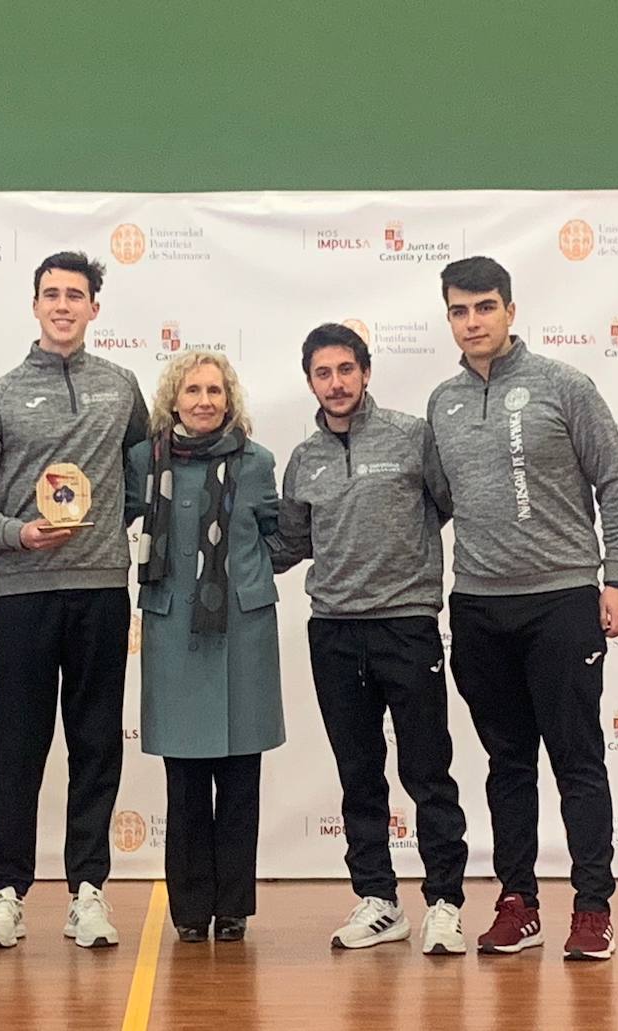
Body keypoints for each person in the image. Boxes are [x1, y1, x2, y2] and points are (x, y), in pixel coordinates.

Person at [428, 255, 618, 961]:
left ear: (511, 310)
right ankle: (518, 902)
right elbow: (436, 498)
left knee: (577, 759)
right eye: (459, 310)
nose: (472, 321)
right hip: (480, 608)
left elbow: (614, 483)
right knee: (507, 762)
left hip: (562, 601)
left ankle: (593, 906)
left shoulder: (564, 386)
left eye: (484, 306)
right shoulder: (443, 403)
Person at [0, 251, 149, 949]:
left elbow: (144, 468)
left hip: (100, 592)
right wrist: (13, 532)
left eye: (76, 294)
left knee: (96, 743)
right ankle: (7, 891)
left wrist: (127, 522)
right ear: (34, 305)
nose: (63, 305)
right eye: (51, 294)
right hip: (25, 594)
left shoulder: (122, 386)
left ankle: (88, 891)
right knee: (21, 746)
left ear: (95, 307)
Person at [272, 323, 469, 955]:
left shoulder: (413, 437)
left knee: (427, 769)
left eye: (346, 370)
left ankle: (444, 902)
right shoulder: (304, 459)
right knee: (359, 774)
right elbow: (293, 543)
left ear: (366, 372)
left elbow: (448, 504)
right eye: (323, 373)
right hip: (332, 631)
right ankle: (380, 901)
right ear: (310, 381)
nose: (336, 383)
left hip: (407, 625)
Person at [125, 351, 284, 944]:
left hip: (243, 635)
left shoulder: (259, 461)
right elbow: (113, 518)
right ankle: (190, 910)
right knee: (185, 780)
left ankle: (234, 906)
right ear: (173, 399)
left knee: (242, 777)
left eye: (215, 390)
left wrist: (250, 583)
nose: (204, 400)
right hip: (171, 635)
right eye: (192, 389)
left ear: (229, 398)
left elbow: (279, 535)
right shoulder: (144, 460)